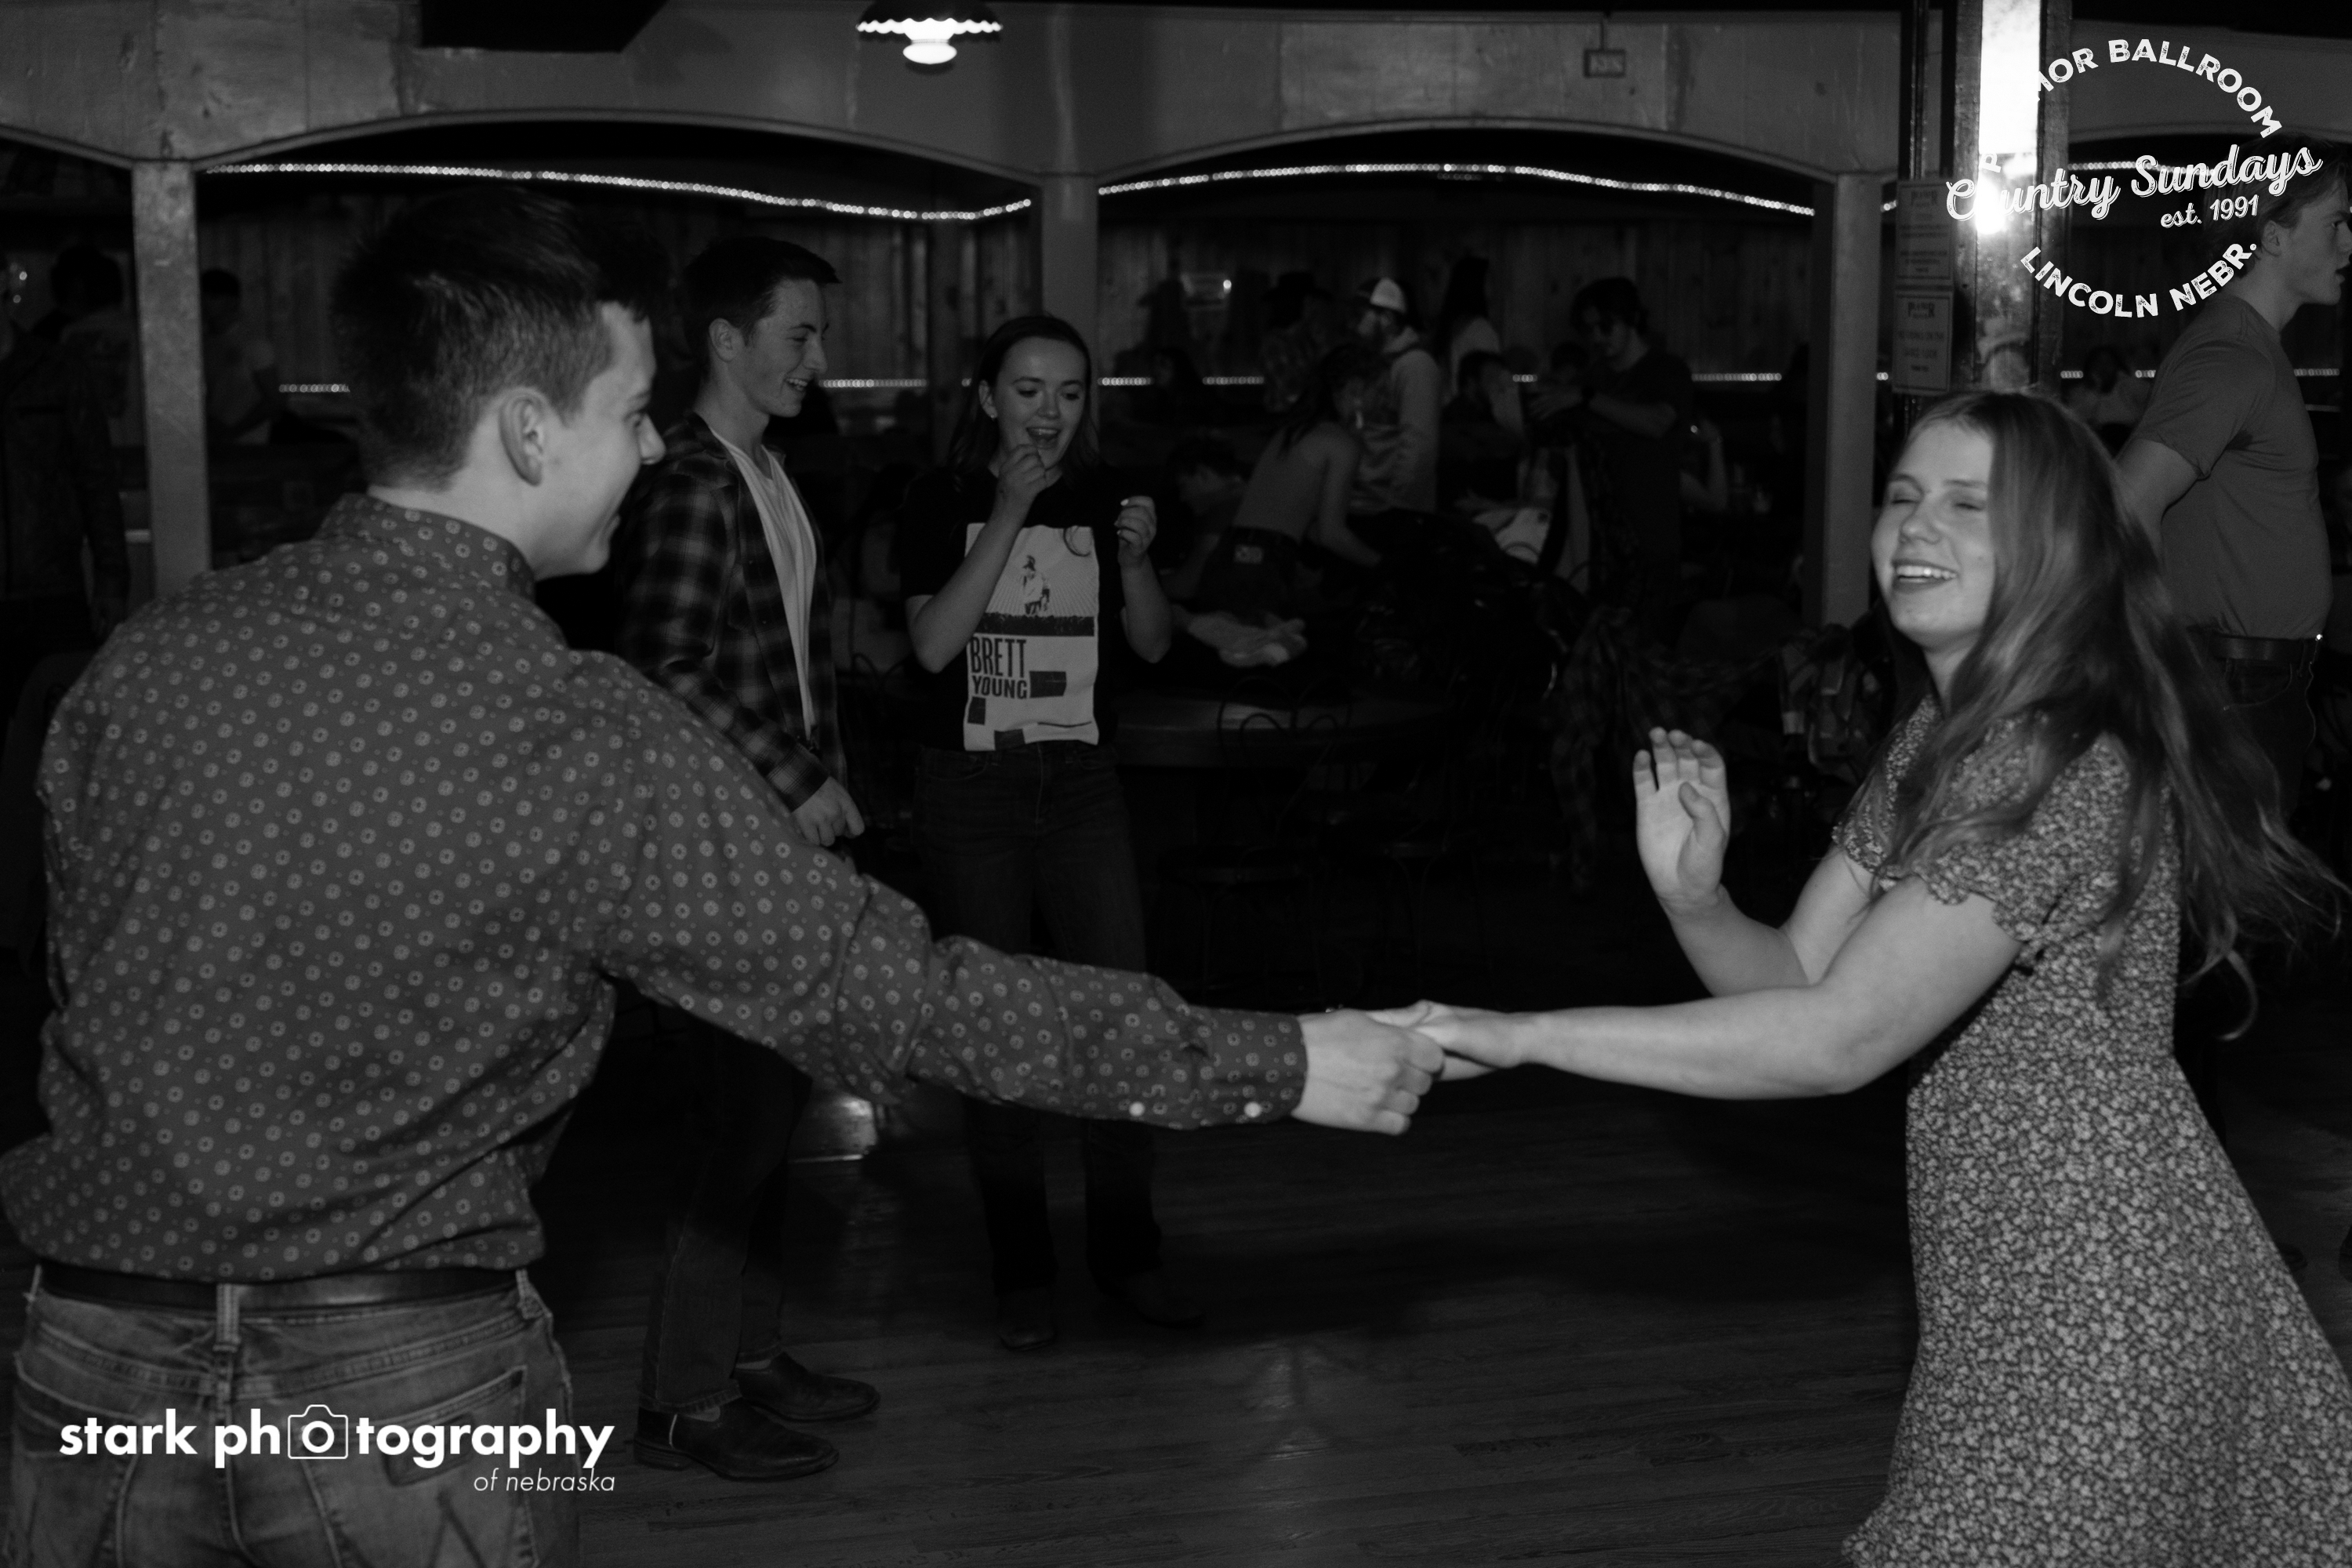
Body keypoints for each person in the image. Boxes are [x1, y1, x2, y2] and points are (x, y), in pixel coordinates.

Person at [3, 190, 1443, 1566]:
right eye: (631, 413)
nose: (650, 452)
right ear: (525, 431)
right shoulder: (581, 728)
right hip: (401, 1389)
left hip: (85, 1368)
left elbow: (81, 986)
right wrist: (1283, 1060)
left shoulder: (143, 663)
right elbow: (906, 1004)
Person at [1403, 391, 2352, 1564]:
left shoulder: (2052, 759)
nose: (1915, 526)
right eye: (1903, 496)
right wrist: (1697, 896)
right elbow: (1799, 975)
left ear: (2059, 548)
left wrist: (1528, 1034)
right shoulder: (1938, 739)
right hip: (2009, 1286)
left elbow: (1838, 1041)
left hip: (2101, 1298)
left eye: (1967, 504)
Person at [610, 235, 874, 1483]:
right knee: (742, 1121)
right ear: (726, 338)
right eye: (797, 335)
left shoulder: (762, 468)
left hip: (774, 847)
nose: (818, 359)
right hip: (725, 849)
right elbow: (658, 664)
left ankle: (750, 1354)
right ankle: (683, 1397)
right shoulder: (692, 479)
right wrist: (796, 776)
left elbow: (775, 661)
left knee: (776, 1112)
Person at [900, 314, 1205, 1352]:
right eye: (1029, 391)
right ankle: (1022, 1270)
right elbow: (933, 647)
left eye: (1071, 393)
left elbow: (1152, 645)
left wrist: (1141, 563)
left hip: (1081, 786)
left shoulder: (1111, 496)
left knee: (1123, 1017)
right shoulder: (938, 496)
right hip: (970, 789)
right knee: (997, 1031)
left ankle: (1128, 1252)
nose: (1050, 412)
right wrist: (1008, 511)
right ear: (989, 397)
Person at [2116, 147, 2347, 823]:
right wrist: (2164, 660)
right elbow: (2127, 502)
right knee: (2230, 887)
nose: (2349, 244)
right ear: (2273, 236)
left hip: (2245, 680)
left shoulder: (2249, 347)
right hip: (2232, 684)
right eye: (2336, 223)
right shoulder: (2232, 357)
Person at [0, 269, 127, 728]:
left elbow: (95, 474)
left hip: (50, 586)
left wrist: (112, 576)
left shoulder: (58, 368)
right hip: (45, 578)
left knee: (61, 728)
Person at [1532, 278, 1693, 613]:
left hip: (1652, 536)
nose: (1596, 338)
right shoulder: (1593, 379)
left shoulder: (1667, 370)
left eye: (1605, 327)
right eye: (1588, 330)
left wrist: (1588, 399)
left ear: (1632, 318)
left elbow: (1657, 423)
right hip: (1603, 543)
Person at [1345, 277, 1444, 544]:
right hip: (1364, 506)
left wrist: (1398, 510)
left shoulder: (1415, 366)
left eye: (1359, 316)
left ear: (1387, 319)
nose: (1352, 325)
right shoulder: (1376, 366)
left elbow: (1419, 448)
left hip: (1390, 514)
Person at [198, 267, 284, 447]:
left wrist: (232, 433)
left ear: (233, 301)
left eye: (214, 297)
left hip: (246, 444)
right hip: (210, 441)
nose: (205, 303)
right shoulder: (201, 344)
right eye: (202, 296)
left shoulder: (253, 344)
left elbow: (274, 400)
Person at [2063, 343, 2148, 454]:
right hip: (2097, 447)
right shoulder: (2079, 393)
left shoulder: (2130, 386)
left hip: (2131, 445)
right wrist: (2094, 390)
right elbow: (2077, 420)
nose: (2103, 368)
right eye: (2098, 363)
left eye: (2108, 363)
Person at [1435, 255, 1501, 386]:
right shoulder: (1480, 330)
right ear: (1476, 284)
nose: (1495, 286)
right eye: (1490, 280)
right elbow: (1492, 379)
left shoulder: (1451, 325)